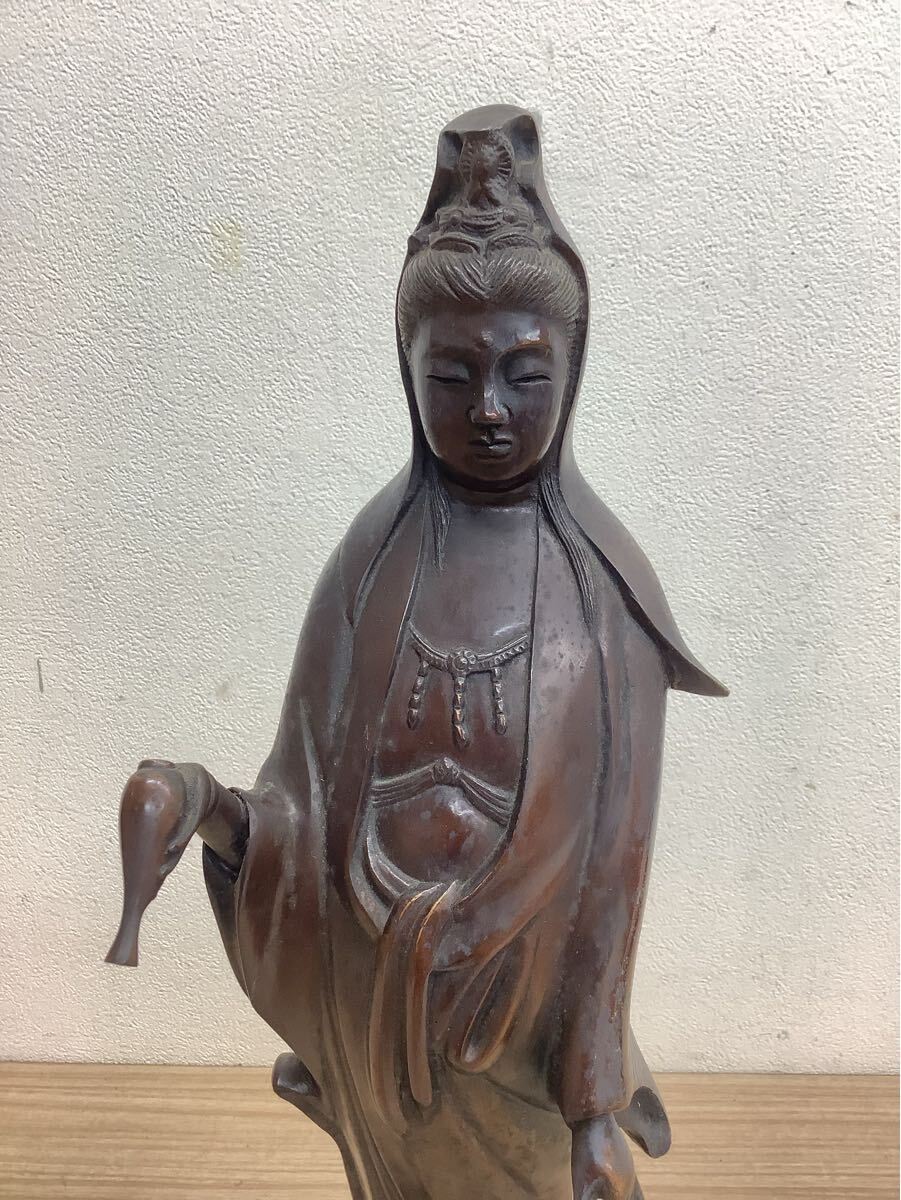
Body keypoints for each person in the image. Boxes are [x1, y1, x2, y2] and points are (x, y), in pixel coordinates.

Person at [107, 105, 726, 1200]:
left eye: (523, 375)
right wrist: (210, 809)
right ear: (408, 373)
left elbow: (611, 882)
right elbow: (300, 811)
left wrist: (592, 1105)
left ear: (571, 370)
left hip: (520, 1022)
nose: (487, 410)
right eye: (451, 377)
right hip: (370, 1011)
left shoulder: (604, 596)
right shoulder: (368, 564)